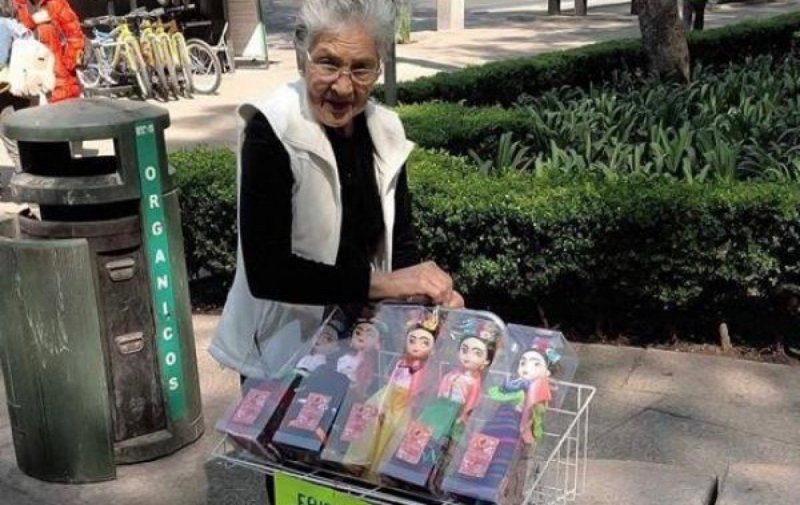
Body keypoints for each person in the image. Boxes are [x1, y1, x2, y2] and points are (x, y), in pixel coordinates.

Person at [210, 0, 464, 379]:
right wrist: (386, 283)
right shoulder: (272, 128)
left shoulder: (385, 130)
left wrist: (424, 296)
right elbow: (267, 272)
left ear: (379, 68)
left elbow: (400, 246)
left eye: (361, 68)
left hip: (361, 342)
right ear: (302, 58)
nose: (344, 86)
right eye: (328, 63)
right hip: (283, 352)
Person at [13, 0, 82, 102]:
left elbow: (75, 34)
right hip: (30, 81)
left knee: (65, 105)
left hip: (59, 77)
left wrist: (69, 63)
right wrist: (32, 21)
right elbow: (11, 33)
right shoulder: (18, 6)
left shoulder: (55, 3)